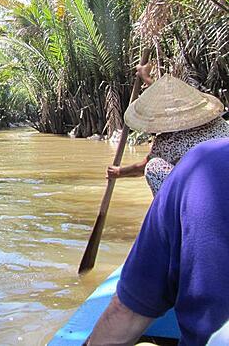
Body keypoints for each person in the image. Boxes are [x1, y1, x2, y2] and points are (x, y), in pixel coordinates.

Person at [87, 139, 229, 345]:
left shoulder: (197, 160)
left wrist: (119, 172)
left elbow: (126, 313)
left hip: (183, 206)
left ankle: (165, 234)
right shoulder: (219, 133)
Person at [106, 69, 229, 195]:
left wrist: (119, 172)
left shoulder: (166, 141)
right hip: (222, 179)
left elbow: (142, 168)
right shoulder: (218, 122)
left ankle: (170, 212)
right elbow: (173, 101)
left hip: (205, 191)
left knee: (154, 167)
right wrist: (147, 78)